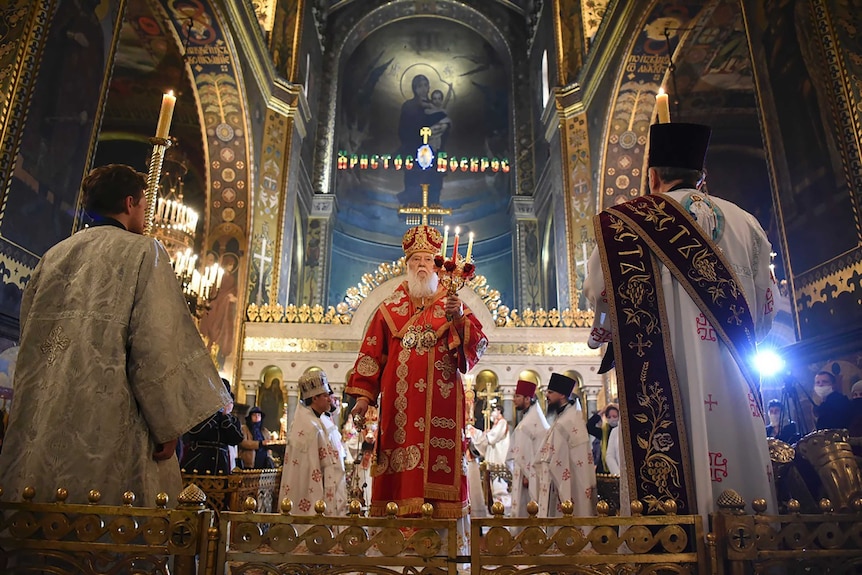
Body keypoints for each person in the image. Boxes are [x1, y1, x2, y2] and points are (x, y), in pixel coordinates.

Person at [0, 164, 230, 504]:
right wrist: (168, 425)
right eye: (143, 204)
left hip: (46, 420)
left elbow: (30, 337)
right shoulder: (143, 252)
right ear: (129, 203)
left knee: (44, 520)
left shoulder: (53, 256)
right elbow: (155, 344)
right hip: (109, 424)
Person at [584, 122, 778, 517]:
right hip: (734, 375)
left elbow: (598, 293)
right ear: (701, 177)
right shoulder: (746, 223)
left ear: (653, 176)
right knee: (744, 488)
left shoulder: (624, 223)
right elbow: (766, 306)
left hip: (661, 375)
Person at [346, 224, 488, 520]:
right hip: (401, 415)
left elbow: (476, 346)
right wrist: (362, 398)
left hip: (443, 411)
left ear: (438, 267)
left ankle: (443, 544)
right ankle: (397, 544)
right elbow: (371, 355)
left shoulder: (452, 305)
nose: (422, 265)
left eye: (427, 260)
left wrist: (458, 318)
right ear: (407, 266)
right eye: (416, 261)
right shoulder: (388, 309)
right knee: (401, 476)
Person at [279, 372, 347, 517]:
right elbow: (311, 469)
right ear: (314, 398)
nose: (330, 399)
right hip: (309, 489)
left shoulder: (320, 422)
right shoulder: (309, 427)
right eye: (325, 396)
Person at [534, 373, 596, 517]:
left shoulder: (569, 420)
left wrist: (548, 464)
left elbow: (562, 455)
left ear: (562, 395)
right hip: (559, 479)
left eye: (550, 392)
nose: (547, 396)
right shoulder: (564, 416)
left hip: (569, 480)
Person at [180, 379, 244, 475]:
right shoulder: (201, 415)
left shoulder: (231, 420)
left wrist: (225, 419)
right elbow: (193, 433)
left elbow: (236, 439)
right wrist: (215, 414)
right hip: (199, 459)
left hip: (221, 461)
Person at [506, 379, 549, 518]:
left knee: (527, 508)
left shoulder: (531, 421)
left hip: (529, 474)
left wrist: (527, 474)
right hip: (527, 472)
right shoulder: (531, 417)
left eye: (517, 396)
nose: (514, 400)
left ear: (527, 398)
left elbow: (532, 450)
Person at [587, 403, 619, 473]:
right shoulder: (604, 432)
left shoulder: (622, 432)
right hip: (604, 468)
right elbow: (589, 427)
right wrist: (601, 412)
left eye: (614, 416)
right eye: (609, 417)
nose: (612, 419)